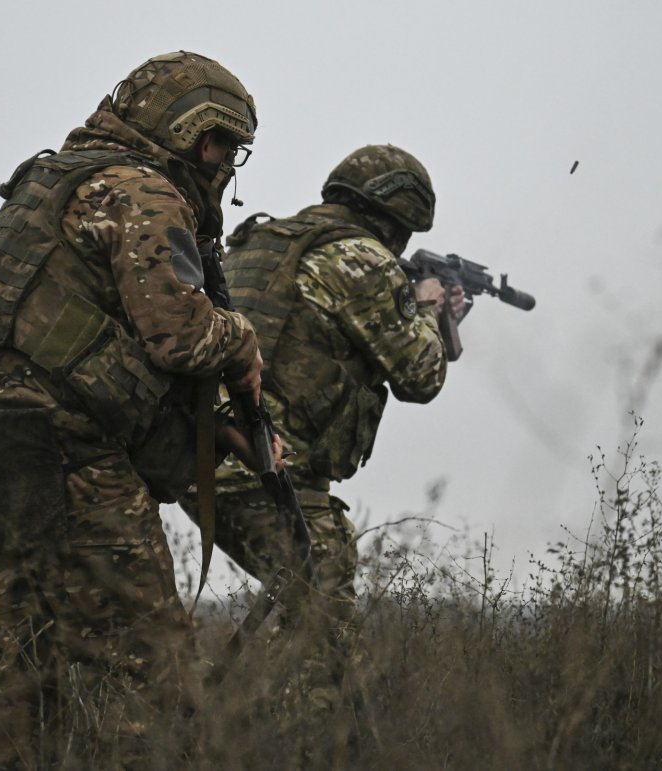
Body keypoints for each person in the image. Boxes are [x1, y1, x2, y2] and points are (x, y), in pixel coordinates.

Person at [0, 51, 262, 765]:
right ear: (193, 134)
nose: (222, 163)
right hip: (61, 447)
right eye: (223, 146)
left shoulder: (51, 180)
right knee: (155, 680)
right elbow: (180, 334)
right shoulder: (139, 190)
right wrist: (242, 342)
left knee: (23, 681)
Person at [179, 144, 463, 708]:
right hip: (268, 472)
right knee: (325, 644)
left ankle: (216, 725)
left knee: (309, 615)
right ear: (400, 219)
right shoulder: (361, 260)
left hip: (203, 459)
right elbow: (421, 376)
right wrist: (430, 309)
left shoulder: (269, 241)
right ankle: (304, 744)